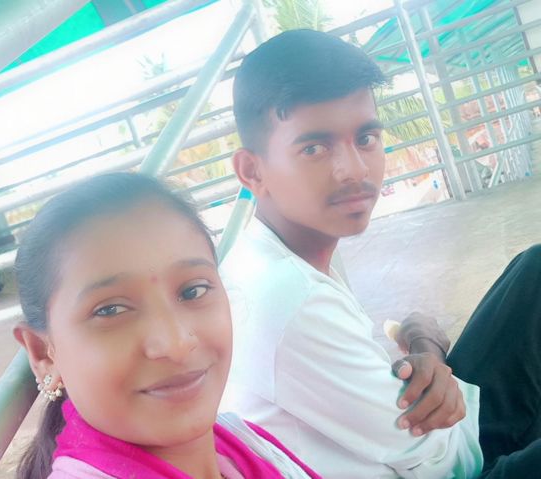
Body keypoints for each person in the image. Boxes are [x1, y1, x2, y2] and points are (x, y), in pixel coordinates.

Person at [220, 29, 541, 478]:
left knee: (534, 272)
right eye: (314, 148)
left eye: (366, 138)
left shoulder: (270, 253)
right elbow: (448, 461)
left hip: (435, 445)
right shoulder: (288, 296)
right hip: (452, 465)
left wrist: (427, 352)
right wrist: (430, 350)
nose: (353, 169)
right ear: (252, 170)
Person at [12, 172, 322, 479]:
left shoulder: (246, 442)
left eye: (194, 291)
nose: (177, 343)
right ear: (43, 354)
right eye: (110, 310)